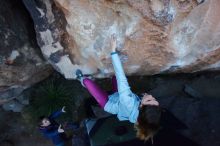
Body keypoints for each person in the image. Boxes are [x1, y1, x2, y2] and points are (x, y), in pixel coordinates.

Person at [75, 34, 161, 141]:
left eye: (149, 99)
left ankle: (80, 79)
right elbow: (146, 122)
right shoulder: (142, 119)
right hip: (119, 99)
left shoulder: (128, 101)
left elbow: (122, 78)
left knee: (89, 82)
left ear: (141, 107)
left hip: (109, 103)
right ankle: (106, 77)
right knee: (114, 77)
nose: (151, 96)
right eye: (154, 100)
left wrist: (113, 51)